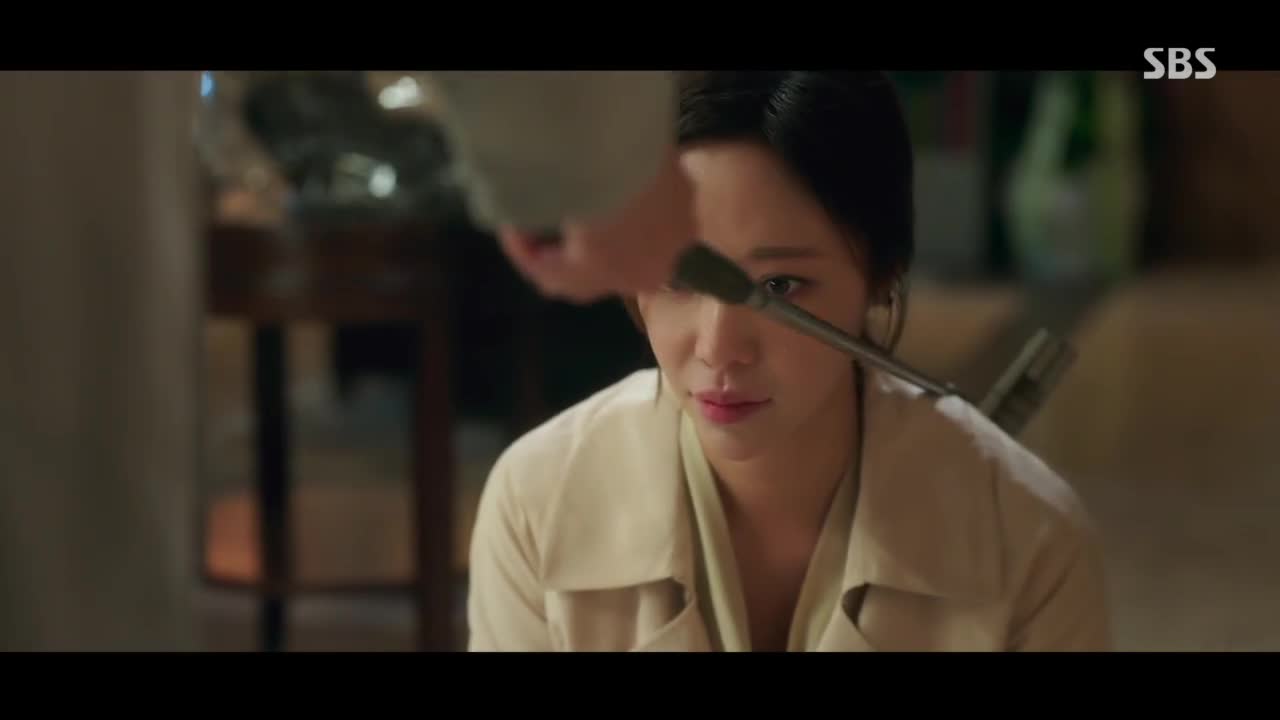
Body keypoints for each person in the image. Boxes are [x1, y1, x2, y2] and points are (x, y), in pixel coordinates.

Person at [466, 71, 1112, 651]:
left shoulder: (1028, 538)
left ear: (882, 273)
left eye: (780, 286)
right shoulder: (538, 502)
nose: (719, 347)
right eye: (680, 277)